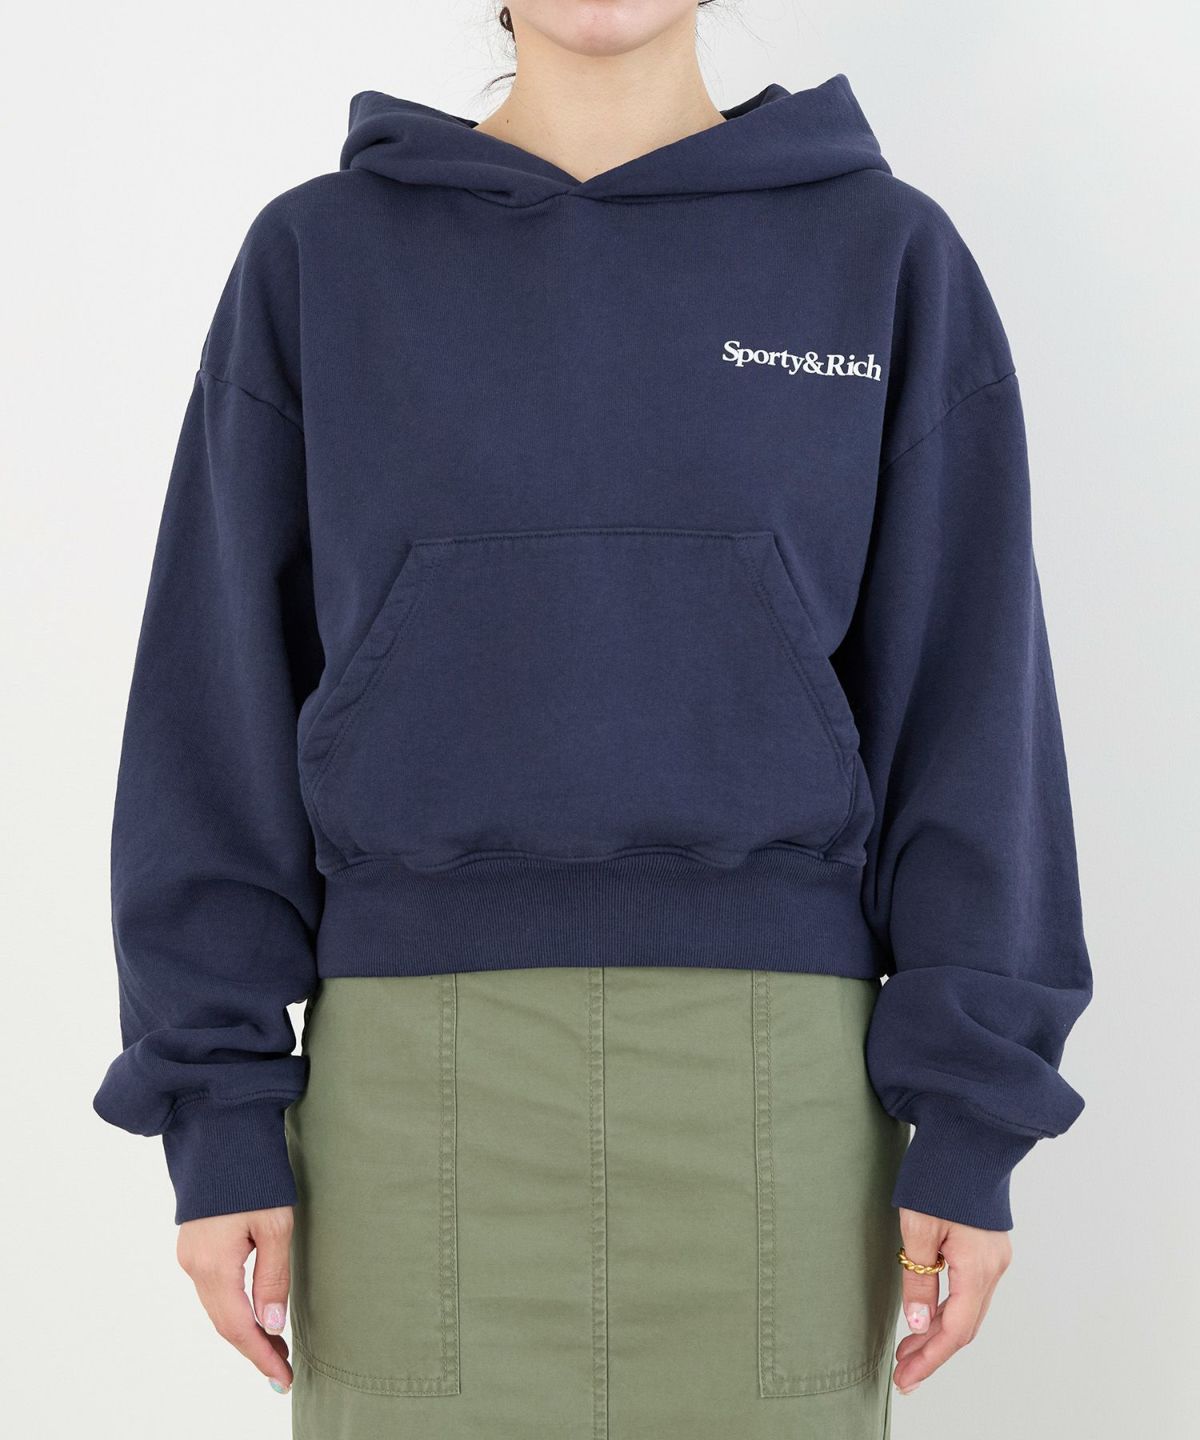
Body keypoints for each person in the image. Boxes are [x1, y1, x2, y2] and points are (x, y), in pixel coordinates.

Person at [92, 3, 1093, 1436]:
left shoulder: (883, 255)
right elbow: (212, 705)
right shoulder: (319, 259)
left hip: (783, 1111)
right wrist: (217, 1110)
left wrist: (977, 1119)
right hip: (409, 1108)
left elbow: (972, 710)